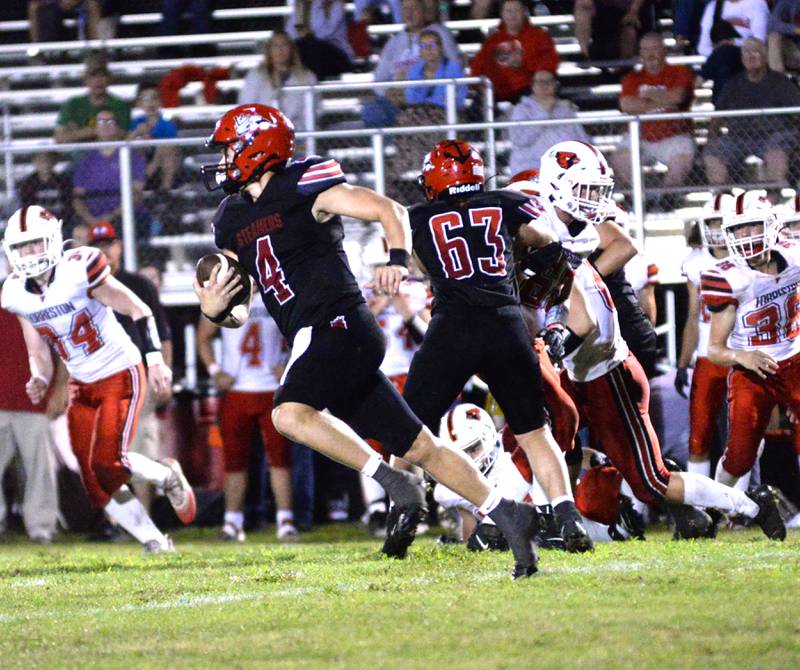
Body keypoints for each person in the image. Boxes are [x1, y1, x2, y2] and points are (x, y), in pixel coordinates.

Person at [195, 104, 540, 578]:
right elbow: (236, 304)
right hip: (320, 335)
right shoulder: (230, 219)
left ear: (259, 147)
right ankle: (508, 513)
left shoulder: (302, 184)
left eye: (233, 147)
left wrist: (397, 257)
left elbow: (388, 208)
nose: (226, 157)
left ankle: (393, 482)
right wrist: (214, 308)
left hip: (339, 323)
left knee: (289, 414)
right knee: (422, 447)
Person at [528, 141, 785, 540]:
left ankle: (748, 504)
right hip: (576, 365)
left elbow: (586, 320)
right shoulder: (539, 218)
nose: (594, 200)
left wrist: (554, 335)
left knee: (651, 481)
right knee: (554, 440)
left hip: (602, 368)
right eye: (585, 190)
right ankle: (554, 522)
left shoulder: (581, 240)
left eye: (595, 190)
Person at [399, 138, 593, 553]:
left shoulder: (416, 217)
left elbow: (420, 262)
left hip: (452, 327)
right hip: (506, 322)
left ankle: (402, 516)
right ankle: (566, 512)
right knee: (534, 432)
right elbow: (547, 244)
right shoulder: (507, 201)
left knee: (405, 428)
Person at [1, 205, 196, 552]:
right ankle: (155, 541)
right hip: (80, 382)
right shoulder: (15, 292)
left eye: (34, 244)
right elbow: (39, 351)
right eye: (21, 247)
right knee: (94, 480)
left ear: (51, 240)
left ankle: (167, 476)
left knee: (108, 462)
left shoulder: (80, 268)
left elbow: (138, 309)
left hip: (119, 370)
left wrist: (155, 361)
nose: (29, 254)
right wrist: (39, 378)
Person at [700, 192, 800, 495]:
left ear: (771, 225)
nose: (744, 236)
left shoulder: (795, 256)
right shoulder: (728, 278)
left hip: (794, 358)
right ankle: (718, 504)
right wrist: (743, 356)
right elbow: (714, 350)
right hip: (752, 369)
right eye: (737, 229)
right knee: (740, 458)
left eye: (752, 226)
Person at [87, 221, 173, 511]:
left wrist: (164, 373)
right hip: (101, 377)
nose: (104, 251)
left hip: (138, 376)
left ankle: (145, 516)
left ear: (119, 246)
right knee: (104, 452)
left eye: (108, 244)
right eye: (97, 247)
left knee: (140, 447)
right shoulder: (83, 288)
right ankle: (116, 521)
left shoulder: (139, 285)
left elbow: (163, 334)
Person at [196, 301, 299, 543]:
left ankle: (285, 520)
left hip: (272, 389)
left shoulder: (274, 291)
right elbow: (203, 336)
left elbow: (302, 331)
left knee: (280, 459)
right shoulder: (227, 294)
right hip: (237, 389)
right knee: (234, 461)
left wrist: (289, 364)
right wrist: (214, 370)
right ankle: (232, 522)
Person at [676, 194, 733, 478]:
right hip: (706, 356)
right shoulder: (695, 262)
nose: (718, 229)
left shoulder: (747, 260)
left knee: (743, 438)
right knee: (699, 436)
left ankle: (740, 504)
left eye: (723, 222)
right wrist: (683, 363)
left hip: (740, 353)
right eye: (713, 222)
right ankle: (697, 503)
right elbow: (692, 316)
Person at [703, 37, 800, 191]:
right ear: (742, 58)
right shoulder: (732, 84)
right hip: (738, 137)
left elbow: (797, 112)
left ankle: (771, 201)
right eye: (746, 52)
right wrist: (711, 137)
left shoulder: (781, 83)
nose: (750, 56)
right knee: (713, 154)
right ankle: (724, 200)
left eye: (755, 52)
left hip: (775, 136)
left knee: (777, 154)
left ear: (765, 56)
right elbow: (717, 117)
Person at [0, 301, 60, 543]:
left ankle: (42, 528)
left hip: (35, 399)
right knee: (39, 468)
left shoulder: (43, 300)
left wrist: (60, 389)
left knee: (40, 469)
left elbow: (63, 347)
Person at [611, 33, 695, 194]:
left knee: (682, 160)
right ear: (640, 53)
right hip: (641, 135)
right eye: (646, 49)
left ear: (664, 51)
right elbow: (626, 104)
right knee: (620, 157)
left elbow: (678, 97)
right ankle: (637, 198)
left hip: (675, 135)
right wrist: (665, 100)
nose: (650, 54)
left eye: (655, 49)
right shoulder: (632, 78)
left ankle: (667, 198)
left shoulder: (680, 72)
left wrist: (646, 96)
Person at [363, 0, 461, 128]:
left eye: (414, 8)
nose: (410, 13)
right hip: (396, 98)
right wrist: (389, 92)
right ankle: (391, 145)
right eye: (406, 9)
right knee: (371, 111)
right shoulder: (394, 42)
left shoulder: (440, 33)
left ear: (424, 11)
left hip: (428, 95)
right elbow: (379, 79)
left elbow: (454, 66)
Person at [71, 110, 149, 237]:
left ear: (118, 127)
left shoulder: (133, 156)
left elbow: (136, 194)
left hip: (123, 216)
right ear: (95, 128)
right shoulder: (85, 159)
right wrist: (90, 219)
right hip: (90, 218)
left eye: (110, 121)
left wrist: (112, 216)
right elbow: (77, 197)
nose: (105, 125)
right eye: (101, 122)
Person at [470, 0, 559, 104]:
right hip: (496, 94)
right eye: (508, 11)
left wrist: (524, 63)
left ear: (524, 12)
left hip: (529, 92)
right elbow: (477, 69)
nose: (512, 15)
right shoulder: (492, 41)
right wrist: (482, 87)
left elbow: (550, 65)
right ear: (502, 14)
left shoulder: (539, 37)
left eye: (516, 10)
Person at [508, 69, 590, 176]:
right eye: (540, 82)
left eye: (549, 82)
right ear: (533, 86)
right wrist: (544, 113)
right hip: (531, 167)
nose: (544, 85)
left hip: (564, 168)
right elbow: (520, 140)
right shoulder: (521, 110)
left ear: (555, 85)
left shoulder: (565, 109)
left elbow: (581, 138)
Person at [238, 32, 318, 133]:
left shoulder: (308, 77)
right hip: (262, 135)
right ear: (269, 50)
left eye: (284, 45)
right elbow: (246, 107)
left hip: (297, 134)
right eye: (276, 46)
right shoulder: (256, 75)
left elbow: (313, 111)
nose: (280, 50)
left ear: (292, 49)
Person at [54, 53, 130, 145]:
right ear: (85, 80)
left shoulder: (119, 104)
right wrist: (97, 130)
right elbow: (60, 138)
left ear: (109, 79)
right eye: (93, 76)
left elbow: (123, 135)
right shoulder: (73, 104)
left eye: (102, 76)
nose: (98, 81)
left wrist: (78, 132)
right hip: (79, 154)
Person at [128, 82, 181, 193]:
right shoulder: (136, 122)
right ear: (139, 103)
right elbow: (126, 143)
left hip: (161, 164)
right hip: (142, 162)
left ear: (160, 101)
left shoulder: (167, 123)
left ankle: (165, 190)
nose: (151, 103)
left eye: (154, 98)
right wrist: (137, 132)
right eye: (146, 99)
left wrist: (154, 164)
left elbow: (170, 146)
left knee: (167, 150)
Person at [288, 0, 355, 81]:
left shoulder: (335, 4)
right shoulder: (300, 6)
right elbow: (290, 34)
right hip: (307, 51)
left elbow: (326, 32)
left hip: (336, 53)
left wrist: (307, 34)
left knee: (310, 45)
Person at [574, 0, 655, 61]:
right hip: (602, 9)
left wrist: (634, 10)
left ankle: (625, 69)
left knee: (629, 31)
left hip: (628, 10)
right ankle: (584, 53)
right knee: (582, 4)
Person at [19, 152, 74, 232]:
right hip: (36, 223)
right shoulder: (28, 183)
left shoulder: (63, 181)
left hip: (61, 222)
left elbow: (68, 206)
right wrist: (47, 219)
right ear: (34, 162)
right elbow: (29, 208)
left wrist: (57, 221)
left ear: (54, 162)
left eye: (47, 160)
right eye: (40, 160)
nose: (44, 164)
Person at [698, 0, 770, 58]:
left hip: (746, 55)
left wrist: (734, 42)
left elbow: (760, 40)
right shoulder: (713, 7)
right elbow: (702, 47)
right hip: (719, 57)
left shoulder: (757, 3)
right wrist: (719, 51)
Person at [768, 0, 800, 73]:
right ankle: (778, 79)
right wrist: (796, 30)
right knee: (774, 36)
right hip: (792, 49)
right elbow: (772, 24)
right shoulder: (787, 2)